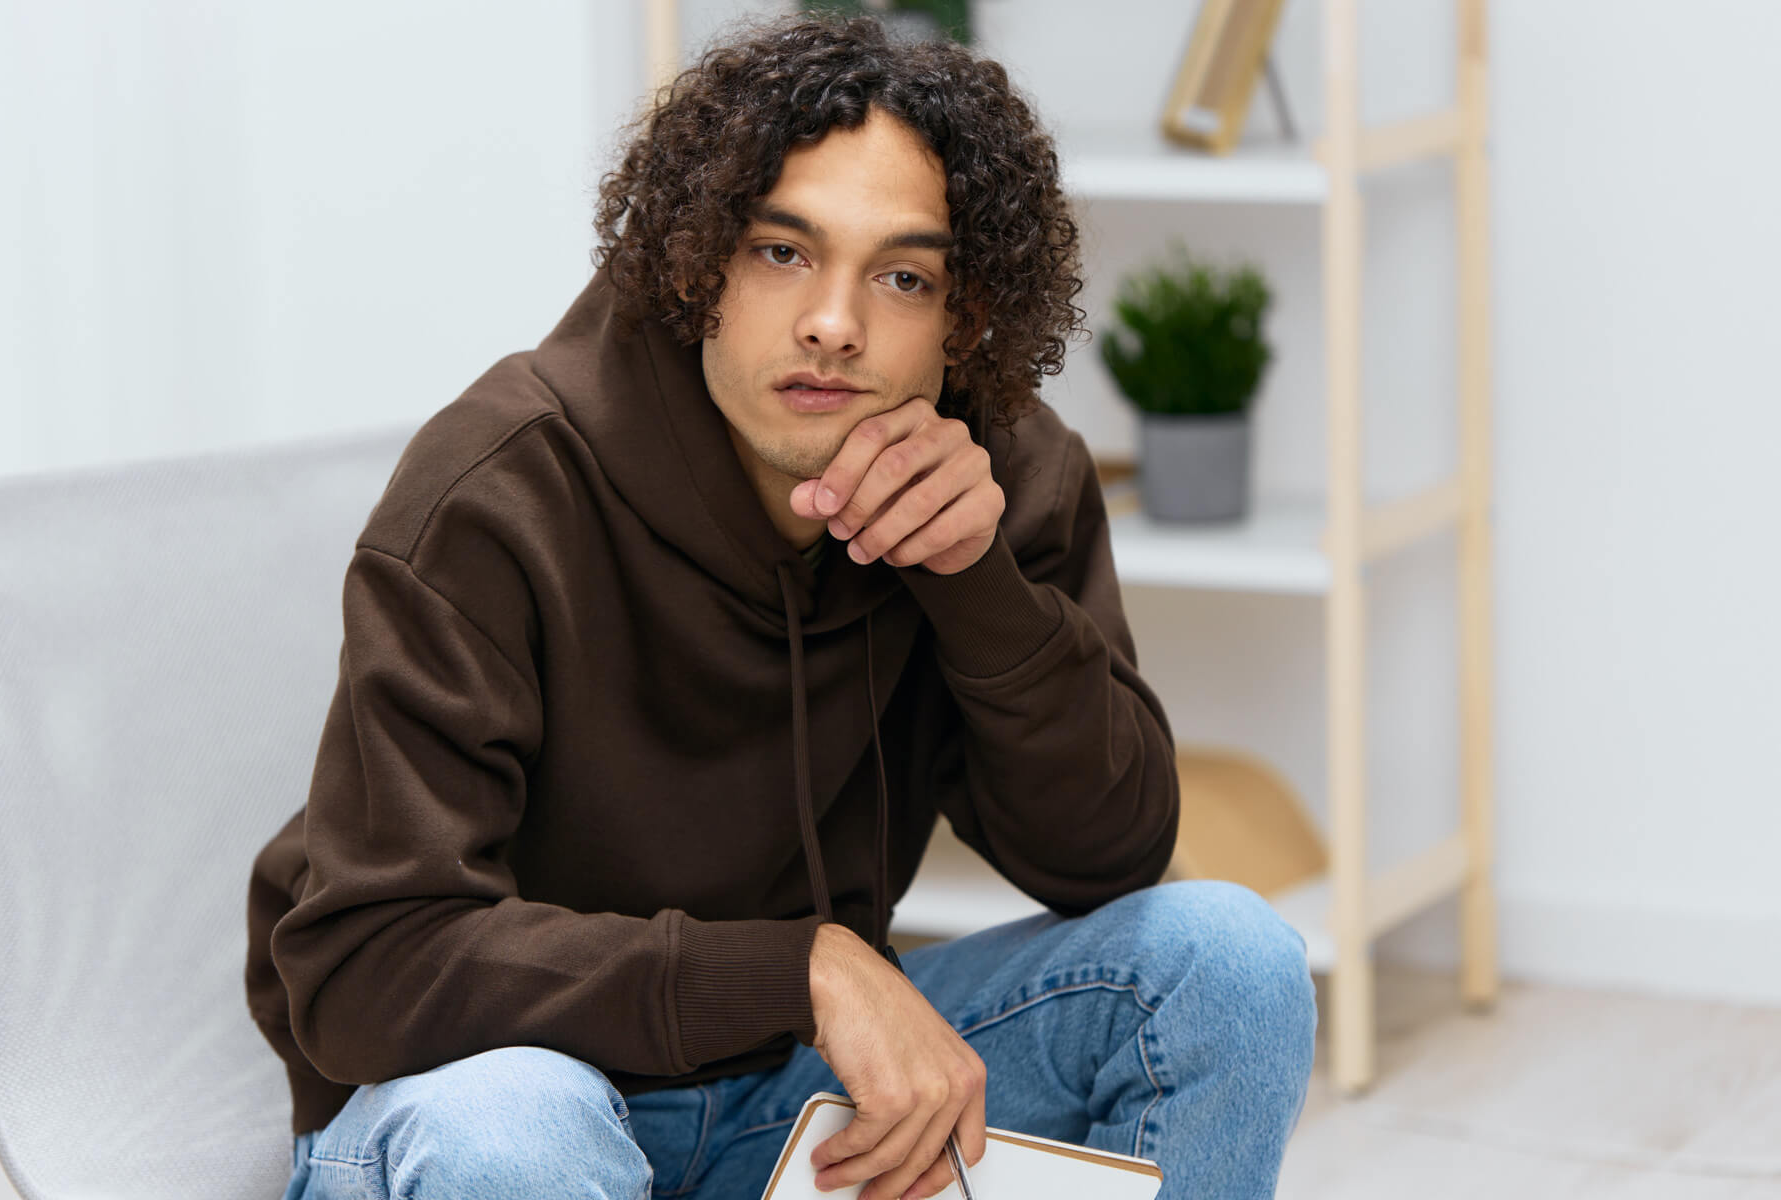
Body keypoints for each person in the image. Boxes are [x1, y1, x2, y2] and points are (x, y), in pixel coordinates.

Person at [245, 13, 1316, 1200]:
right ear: (697, 264)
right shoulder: (501, 490)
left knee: (1232, 962)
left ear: (962, 319)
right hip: (500, 1101)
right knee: (516, 1123)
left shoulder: (1001, 474)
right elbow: (362, 965)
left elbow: (1109, 855)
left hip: (791, 1104)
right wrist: (801, 971)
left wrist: (977, 586)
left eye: (903, 276)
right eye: (781, 252)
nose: (835, 324)